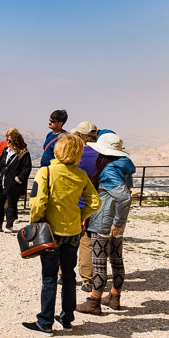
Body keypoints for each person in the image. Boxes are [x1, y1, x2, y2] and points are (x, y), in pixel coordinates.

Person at [22, 134, 100, 336]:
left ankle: (45, 322)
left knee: (49, 278)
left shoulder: (46, 171)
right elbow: (94, 202)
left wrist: (37, 223)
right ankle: (67, 319)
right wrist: (79, 218)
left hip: (51, 233)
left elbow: (37, 203)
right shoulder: (81, 175)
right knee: (68, 276)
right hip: (73, 231)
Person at [76, 133, 135, 315]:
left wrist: (118, 222)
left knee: (99, 263)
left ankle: (94, 301)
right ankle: (114, 297)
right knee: (116, 261)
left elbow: (124, 198)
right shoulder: (122, 167)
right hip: (115, 222)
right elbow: (126, 194)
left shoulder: (108, 170)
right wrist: (119, 223)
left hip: (104, 222)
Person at [70, 121, 99, 292]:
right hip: (91, 203)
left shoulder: (74, 154)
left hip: (72, 202)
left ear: (79, 136)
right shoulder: (101, 155)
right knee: (86, 242)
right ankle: (87, 280)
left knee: (65, 239)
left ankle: (61, 273)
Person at [0, 128, 32, 234]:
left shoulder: (23, 154)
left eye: (9, 140)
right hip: (1, 182)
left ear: (15, 141)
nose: (7, 142)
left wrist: (19, 179)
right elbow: (1, 164)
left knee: (11, 205)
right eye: (7, 139)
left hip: (13, 184)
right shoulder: (5, 152)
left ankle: (9, 225)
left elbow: (26, 168)